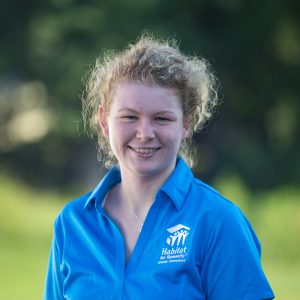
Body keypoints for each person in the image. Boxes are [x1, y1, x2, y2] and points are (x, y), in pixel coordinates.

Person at [44, 34, 275, 300]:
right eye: (129, 116)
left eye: (162, 118)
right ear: (104, 120)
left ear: (186, 123)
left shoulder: (217, 220)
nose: (145, 133)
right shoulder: (72, 223)